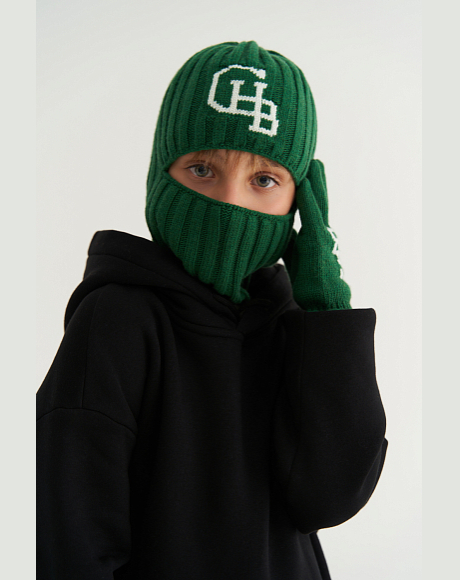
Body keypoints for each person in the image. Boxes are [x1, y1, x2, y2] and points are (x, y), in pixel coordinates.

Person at [36, 40, 387, 579]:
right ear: (161, 174)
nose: (230, 202)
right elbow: (69, 537)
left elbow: (329, 497)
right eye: (202, 169)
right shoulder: (117, 319)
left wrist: (325, 310)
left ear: (299, 201)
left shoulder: (294, 329)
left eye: (264, 180)